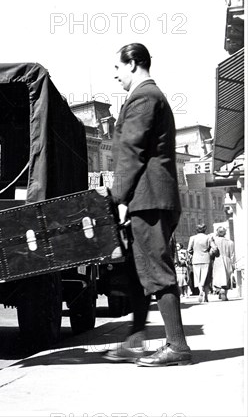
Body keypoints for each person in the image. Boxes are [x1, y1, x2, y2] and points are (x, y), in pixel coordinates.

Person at [104, 43, 192, 367]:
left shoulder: (143, 97)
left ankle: (178, 346)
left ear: (132, 63)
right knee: (141, 271)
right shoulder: (149, 96)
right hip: (149, 196)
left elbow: (131, 150)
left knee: (157, 269)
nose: (115, 75)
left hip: (149, 197)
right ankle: (137, 340)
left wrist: (117, 197)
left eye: (117, 67)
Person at [188, 224, 216, 303]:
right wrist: (211, 252)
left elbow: (189, 250)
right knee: (206, 278)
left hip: (196, 259)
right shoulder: (208, 237)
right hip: (206, 259)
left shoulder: (192, 238)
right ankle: (206, 296)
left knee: (198, 277)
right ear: (205, 229)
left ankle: (201, 290)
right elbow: (214, 248)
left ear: (196, 230)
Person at [211, 226, 236, 301]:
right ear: (225, 233)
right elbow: (232, 255)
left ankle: (220, 290)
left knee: (218, 276)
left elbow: (212, 251)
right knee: (226, 277)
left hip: (217, 259)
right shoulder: (230, 242)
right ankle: (224, 292)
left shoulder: (214, 241)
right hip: (227, 260)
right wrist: (233, 264)